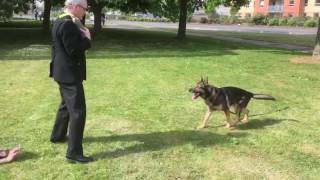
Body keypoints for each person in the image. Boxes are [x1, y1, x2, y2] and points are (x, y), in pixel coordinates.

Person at [49, 0, 93, 164]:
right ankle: (73, 153)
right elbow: (73, 50)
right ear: (75, 7)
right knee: (78, 112)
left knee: (65, 106)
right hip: (69, 74)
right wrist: (87, 40)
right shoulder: (67, 24)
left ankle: (57, 136)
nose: (85, 11)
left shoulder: (59, 19)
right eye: (84, 8)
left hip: (61, 72)